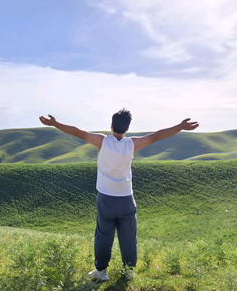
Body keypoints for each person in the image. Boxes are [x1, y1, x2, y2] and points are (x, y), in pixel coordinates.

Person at [39, 108, 199, 281]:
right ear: (127, 129)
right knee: (129, 237)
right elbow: (157, 136)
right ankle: (129, 271)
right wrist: (180, 126)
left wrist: (55, 124)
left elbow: (77, 132)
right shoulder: (132, 144)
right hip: (126, 199)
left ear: (111, 125)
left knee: (103, 236)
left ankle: (101, 272)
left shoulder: (101, 141)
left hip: (106, 198)